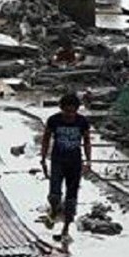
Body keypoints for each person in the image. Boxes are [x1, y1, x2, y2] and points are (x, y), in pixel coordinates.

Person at [40, 93, 92, 242]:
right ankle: (54, 210)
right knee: (54, 195)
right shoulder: (54, 120)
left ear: (76, 110)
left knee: (71, 199)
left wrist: (88, 162)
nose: (69, 114)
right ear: (61, 109)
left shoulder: (82, 122)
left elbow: (87, 141)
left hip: (75, 163)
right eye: (67, 111)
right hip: (57, 161)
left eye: (72, 111)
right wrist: (43, 158)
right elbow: (45, 139)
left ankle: (65, 229)